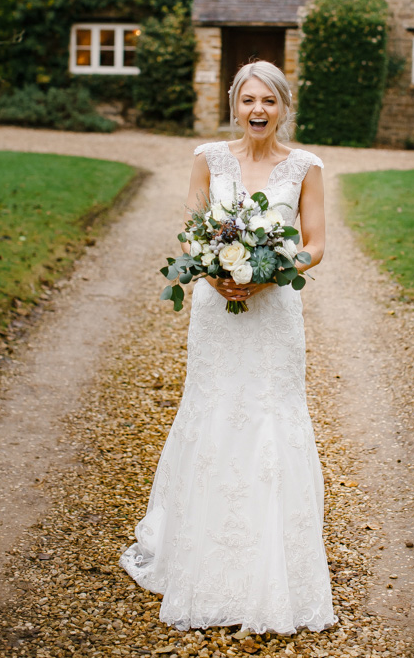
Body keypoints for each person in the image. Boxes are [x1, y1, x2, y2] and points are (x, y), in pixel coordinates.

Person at [120, 61, 336, 636]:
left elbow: (315, 243)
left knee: (271, 414)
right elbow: (191, 232)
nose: (258, 111)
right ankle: (200, 552)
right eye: (248, 101)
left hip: (276, 313)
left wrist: (272, 272)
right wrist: (210, 272)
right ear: (235, 105)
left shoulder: (307, 168)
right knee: (214, 409)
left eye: (269, 101)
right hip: (217, 312)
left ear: (285, 106)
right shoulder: (209, 159)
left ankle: (273, 565)